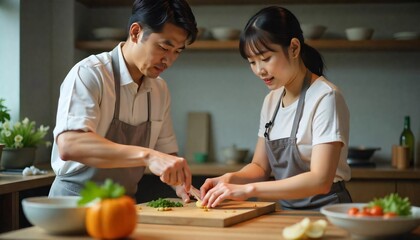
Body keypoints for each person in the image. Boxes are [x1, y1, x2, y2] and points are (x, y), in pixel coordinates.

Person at [200, 6, 352, 210]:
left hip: (327, 211)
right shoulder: (271, 100)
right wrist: (230, 178)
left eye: (265, 59)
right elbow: (260, 167)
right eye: (252, 62)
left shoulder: (326, 97)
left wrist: (249, 190)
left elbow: (320, 180)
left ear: (294, 48)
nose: (259, 70)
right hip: (287, 212)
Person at [49, 0, 198, 202]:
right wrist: (148, 156)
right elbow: (70, 144)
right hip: (73, 203)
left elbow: (166, 153)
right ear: (136, 32)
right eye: (164, 47)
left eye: (177, 51)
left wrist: (183, 186)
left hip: (123, 206)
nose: (169, 60)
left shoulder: (159, 89)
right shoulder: (90, 74)